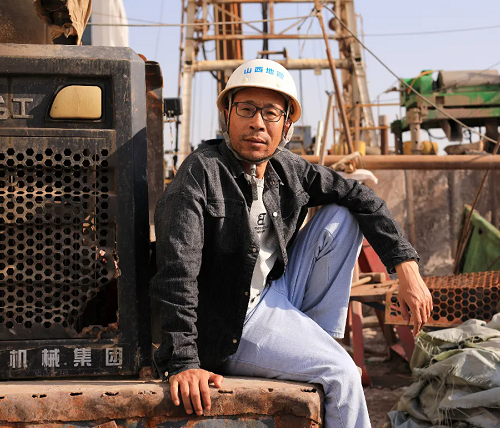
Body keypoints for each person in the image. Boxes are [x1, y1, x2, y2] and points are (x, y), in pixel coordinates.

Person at [150, 58, 433, 427]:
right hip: (231, 322)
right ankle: (319, 357)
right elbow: (177, 273)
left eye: (270, 113)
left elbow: (361, 196)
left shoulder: (286, 168)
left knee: (343, 214)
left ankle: (314, 341)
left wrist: (406, 269)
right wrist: (183, 362)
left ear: (286, 125)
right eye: (246, 109)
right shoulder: (200, 174)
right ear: (227, 115)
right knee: (343, 376)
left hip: (274, 291)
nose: (257, 123)